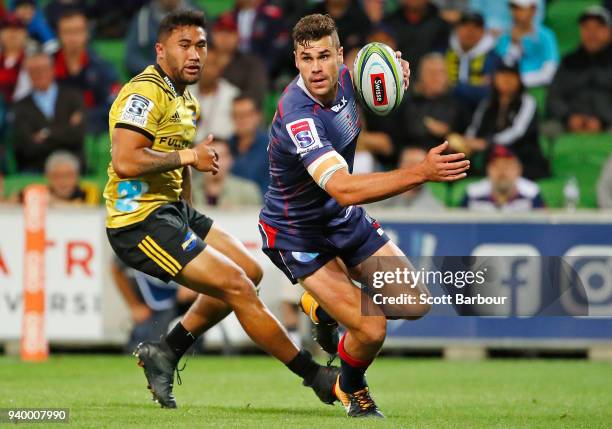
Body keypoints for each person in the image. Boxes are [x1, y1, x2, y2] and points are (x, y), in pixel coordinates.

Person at [104, 10, 337, 409]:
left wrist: (189, 215)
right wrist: (188, 155)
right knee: (237, 286)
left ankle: (166, 352)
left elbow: (183, 164)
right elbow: (126, 161)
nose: (196, 54)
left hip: (173, 211)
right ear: (160, 50)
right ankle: (314, 375)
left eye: (201, 45)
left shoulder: (185, 99)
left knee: (250, 271)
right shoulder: (144, 93)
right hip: (138, 220)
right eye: (185, 45)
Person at [259, 14, 469, 417]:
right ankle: (351, 386)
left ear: (341, 56)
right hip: (297, 233)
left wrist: (393, 69)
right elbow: (341, 186)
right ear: (296, 61)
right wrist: (420, 173)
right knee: (371, 329)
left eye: (324, 56)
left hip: (342, 220)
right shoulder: (298, 114)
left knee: (414, 303)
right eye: (306, 58)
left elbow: (383, 73)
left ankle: (322, 307)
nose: (316, 67)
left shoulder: (350, 79)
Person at [463, 63, 549, 179]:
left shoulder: (528, 102)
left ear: (519, 79)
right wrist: (466, 142)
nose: (507, 80)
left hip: (523, 158)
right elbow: (474, 127)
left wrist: (487, 143)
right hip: (491, 158)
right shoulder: (487, 104)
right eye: (502, 75)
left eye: (512, 76)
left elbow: (517, 132)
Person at [11, 50, 85, 173]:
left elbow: (77, 135)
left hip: (73, 166)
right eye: (33, 70)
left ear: (52, 69)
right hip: (37, 169)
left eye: (42, 69)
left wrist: (45, 134)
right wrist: (64, 130)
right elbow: (27, 147)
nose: (39, 74)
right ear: (27, 74)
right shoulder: (20, 106)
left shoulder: (73, 97)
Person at [53, 9, 120, 134]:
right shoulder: (48, 66)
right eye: (67, 32)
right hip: (55, 130)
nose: (72, 38)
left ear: (86, 34)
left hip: (94, 131)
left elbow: (115, 104)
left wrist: (85, 117)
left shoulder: (102, 67)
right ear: (58, 35)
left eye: (77, 31)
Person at [547, 6, 612, 133]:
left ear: (609, 32)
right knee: (546, 131)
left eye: (598, 28)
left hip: (608, 124)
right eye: (586, 28)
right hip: (570, 123)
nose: (591, 33)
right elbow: (554, 97)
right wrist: (568, 117)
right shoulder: (569, 61)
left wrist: (603, 120)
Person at [111, 258, 197, 352]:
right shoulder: (136, 244)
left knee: (191, 346)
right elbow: (116, 268)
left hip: (186, 302)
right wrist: (135, 306)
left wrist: (196, 287)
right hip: (154, 305)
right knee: (145, 348)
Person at [397, 53, 470, 151]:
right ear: (420, 76)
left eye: (440, 72)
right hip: (414, 156)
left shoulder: (459, 104)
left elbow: (465, 140)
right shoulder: (407, 102)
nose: (436, 78)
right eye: (431, 73)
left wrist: (447, 132)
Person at [460, 145, 545, 211]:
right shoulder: (473, 193)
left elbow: (543, 228)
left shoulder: (532, 193)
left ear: (518, 170)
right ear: (488, 170)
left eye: (507, 166)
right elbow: (459, 228)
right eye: (496, 166)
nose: (502, 172)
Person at [495, 0, 558, 87]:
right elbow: (504, 68)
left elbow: (550, 72)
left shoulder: (546, 36)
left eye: (521, 9)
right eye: (513, 8)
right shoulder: (504, 37)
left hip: (538, 90)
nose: (515, 12)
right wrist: (514, 44)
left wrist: (518, 81)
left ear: (533, 10)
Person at [211, 13, 268, 108]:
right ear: (213, 35)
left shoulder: (252, 64)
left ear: (238, 36)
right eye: (220, 31)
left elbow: (256, 95)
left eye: (230, 32)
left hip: (238, 116)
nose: (225, 36)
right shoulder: (202, 61)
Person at [446, 11, 500, 111]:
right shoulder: (445, 51)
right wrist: (474, 86)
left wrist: (452, 87)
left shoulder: (493, 58)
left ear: (483, 32)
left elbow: (489, 93)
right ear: (456, 29)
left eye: (476, 27)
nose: (470, 31)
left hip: (481, 110)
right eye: (465, 26)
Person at [124, 0, 194, 77]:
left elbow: (207, 53)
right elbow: (131, 59)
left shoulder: (196, 16)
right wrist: (158, 69)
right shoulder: (143, 18)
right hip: (154, 79)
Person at [192, 138, 262, 208]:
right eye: (209, 156)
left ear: (230, 160)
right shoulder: (188, 191)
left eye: (221, 156)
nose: (214, 161)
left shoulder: (247, 191)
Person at [369, 147, 445, 210]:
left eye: (420, 165)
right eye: (410, 164)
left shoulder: (435, 207)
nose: (415, 170)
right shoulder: (381, 195)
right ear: (400, 166)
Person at [190, 47, 239, 142]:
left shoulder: (232, 95)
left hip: (223, 150)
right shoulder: (183, 93)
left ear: (220, 68)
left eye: (211, 64)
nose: (206, 70)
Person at [383, 0, 450, 69]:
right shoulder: (390, 23)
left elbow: (440, 57)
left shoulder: (440, 25)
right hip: (397, 74)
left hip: (428, 74)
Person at [228, 94, 269, 197]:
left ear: (258, 116)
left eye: (245, 114)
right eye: (236, 115)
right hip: (226, 208)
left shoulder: (272, 148)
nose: (241, 120)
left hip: (260, 208)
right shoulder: (226, 147)